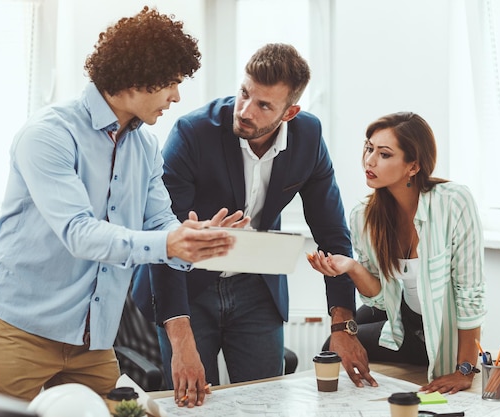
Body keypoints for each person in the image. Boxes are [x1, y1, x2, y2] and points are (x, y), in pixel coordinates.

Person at [0, 7, 244, 402]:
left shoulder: (146, 147)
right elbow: (80, 234)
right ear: (138, 76)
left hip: (93, 340)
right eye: (172, 82)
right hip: (20, 330)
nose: (177, 96)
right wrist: (168, 243)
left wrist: (195, 240)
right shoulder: (49, 135)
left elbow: (159, 223)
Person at [133, 43, 376, 408]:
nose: (245, 110)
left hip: (256, 290)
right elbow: (162, 232)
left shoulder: (307, 138)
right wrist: (180, 339)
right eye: (244, 93)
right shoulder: (193, 133)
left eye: (264, 105)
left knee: (266, 402)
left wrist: (342, 326)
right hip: (188, 284)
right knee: (192, 403)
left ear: (290, 111)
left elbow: (332, 235)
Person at [307, 112, 486, 394]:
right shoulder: (364, 216)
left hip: (434, 332)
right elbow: (379, 297)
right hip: (402, 317)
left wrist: (466, 369)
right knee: (338, 340)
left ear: (413, 166)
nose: (370, 160)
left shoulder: (453, 203)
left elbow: (470, 293)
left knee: (343, 338)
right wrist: (351, 267)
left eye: (384, 154)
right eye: (369, 148)